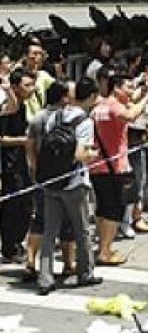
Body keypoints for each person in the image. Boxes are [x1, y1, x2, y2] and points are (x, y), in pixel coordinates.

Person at [31, 78, 101, 295]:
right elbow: (81, 154)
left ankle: (45, 277)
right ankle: (85, 272)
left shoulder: (54, 116)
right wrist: (93, 154)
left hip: (52, 182)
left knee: (50, 231)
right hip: (74, 183)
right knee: (82, 230)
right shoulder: (85, 122)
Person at [90, 71, 148, 266]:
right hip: (114, 166)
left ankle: (102, 246)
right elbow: (131, 115)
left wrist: (139, 93)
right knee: (113, 210)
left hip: (97, 165)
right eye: (127, 87)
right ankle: (105, 251)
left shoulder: (98, 106)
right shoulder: (115, 107)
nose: (130, 90)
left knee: (102, 209)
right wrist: (146, 98)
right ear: (116, 88)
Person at [25, 80, 78, 281]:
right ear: (63, 96)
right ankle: (67, 263)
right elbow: (31, 146)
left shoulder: (38, 117)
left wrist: (35, 170)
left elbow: (29, 148)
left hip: (42, 176)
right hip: (60, 176)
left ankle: (32, 262)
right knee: (64, 220)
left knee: (40, 219)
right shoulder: (61, 117)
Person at [0, 68, 37, 262]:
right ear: (15, 87)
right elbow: (2, 139)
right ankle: (9, 247)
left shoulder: (22, 106)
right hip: (9, 164)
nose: (31, 89)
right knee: (12, 206)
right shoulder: (8, 107)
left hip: (22, 162)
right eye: (27, 85)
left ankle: (17, 243)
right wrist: (24, 140)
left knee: (25, 204)